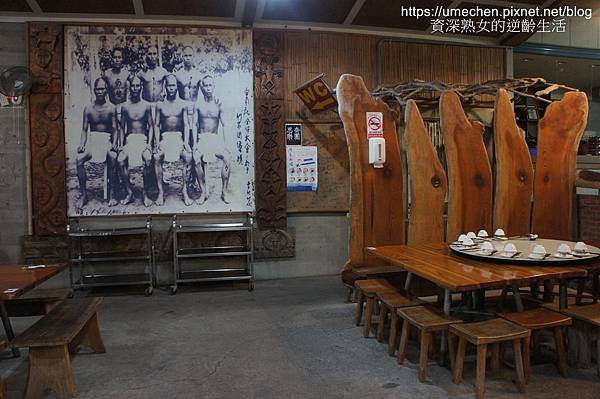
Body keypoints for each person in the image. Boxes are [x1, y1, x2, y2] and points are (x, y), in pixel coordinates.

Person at [76, 76, 117, 207]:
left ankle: (111, 194)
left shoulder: (111, 108)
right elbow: (84, 130)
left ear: (106, 90)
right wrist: (82, 144)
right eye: (98, 89)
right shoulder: (88, 108)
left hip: (106, 141)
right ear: (94, 90)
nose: (100, 92)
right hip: (93, 141)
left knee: (112, 156)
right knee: (79, 159)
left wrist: (114, 144)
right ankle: (83, 194)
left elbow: (115, 129)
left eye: (102, 89)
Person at [154, 74, 194, 206]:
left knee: (188, 157)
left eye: (174, 85)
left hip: (178, 138)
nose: (171, 88)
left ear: (177, 87)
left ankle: (184, 191)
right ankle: (160, 192)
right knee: (157, 157)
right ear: (166, 87)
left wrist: (186, 143)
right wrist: (157, 142)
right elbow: (157, 125)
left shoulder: (183, 104)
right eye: (169, 85)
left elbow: (187, 125)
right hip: (165, 138)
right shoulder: (160, 105)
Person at [193, 75, 230, 204]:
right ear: (202, 87)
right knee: (196, 158)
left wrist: (225, 144)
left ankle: (224, 192)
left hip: (215, 139)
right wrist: (194, 145)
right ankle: (203, 192)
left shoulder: (219, 104)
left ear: (214, 87)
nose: (208, 88)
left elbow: (225, 124)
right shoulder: (198, 105)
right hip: (202, 139)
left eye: (210, 85)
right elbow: (193, 125)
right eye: (206, 85)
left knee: (227, 157)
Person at [118, 75, 154, 207]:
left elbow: (151, 126)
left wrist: (149, 144)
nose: (135, 88)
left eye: (137, 85)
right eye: (133, 86)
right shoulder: (125, 106)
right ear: (129, 87)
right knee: (120, 160)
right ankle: (129, 193)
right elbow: (121, 128)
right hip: (130, 140)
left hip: (143, 140)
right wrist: (122, 145)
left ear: (141, 87)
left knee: (148, 158)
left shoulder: (146, 105)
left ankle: (145, 193)